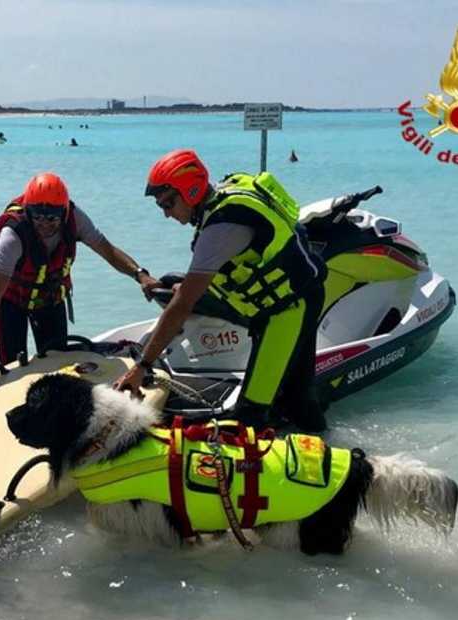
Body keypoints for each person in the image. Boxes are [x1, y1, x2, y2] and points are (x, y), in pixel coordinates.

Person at [113, 149, 327, 430]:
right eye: (161, 207)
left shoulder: (219, 230)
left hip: (287, 311)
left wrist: (142, 365)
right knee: (298, 394)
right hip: (297, 292)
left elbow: (183, 304)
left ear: (190, 191)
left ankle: (311, 451)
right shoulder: (227, 195)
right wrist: (179, 286)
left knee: (250, 415)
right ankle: (313, 431)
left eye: (168, 203)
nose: (166, 214)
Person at [0, 172, 159, 382]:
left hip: (49, 300)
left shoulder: (75, 219)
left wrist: (140, 274)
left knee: (58, 369)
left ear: (64, 212)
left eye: (52, 218)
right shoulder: (13, 234)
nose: (44, 224)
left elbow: (107, 250)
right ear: (28, 212)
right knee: (12, 369)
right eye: (37, 216)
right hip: (11, 303)